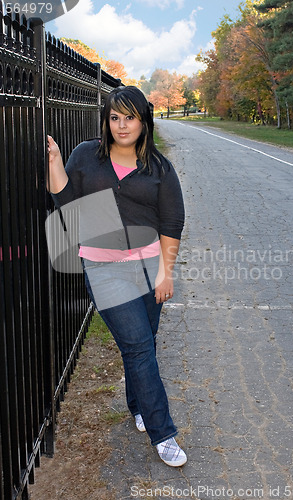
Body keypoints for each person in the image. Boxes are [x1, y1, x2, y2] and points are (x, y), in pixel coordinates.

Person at [47, 85, 187, 467]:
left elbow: (172, 221)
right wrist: (57, 162)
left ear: (144, 121)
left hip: (148, 268)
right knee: (140, 347)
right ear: (106, 120)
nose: (121, 125)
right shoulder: (86, 156)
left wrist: (165, 274)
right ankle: (164, 434)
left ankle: (138, 406)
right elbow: (68, 204)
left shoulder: (158, 168)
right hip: (104, 267)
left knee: (143, 345)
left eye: (130, 118)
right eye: (114, 117)